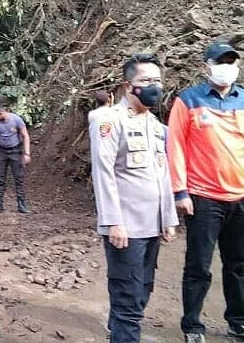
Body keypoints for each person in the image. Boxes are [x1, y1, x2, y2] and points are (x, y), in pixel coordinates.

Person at [167, 41, 244, 343]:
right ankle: (192, 326)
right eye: (220, 62)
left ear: (237, 67)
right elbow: (174, 148)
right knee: (198, 265)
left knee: (237, 264)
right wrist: (180, 191)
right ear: (208, 66)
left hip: (243, 197)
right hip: (203, 197)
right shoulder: (187, 101)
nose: (226, 67)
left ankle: (238, 323)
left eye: (231, 62)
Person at [91, 54, 179, 343]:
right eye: (146, 80)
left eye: (157, 80)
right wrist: (113, 221)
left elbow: (162, 174)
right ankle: (124, 335)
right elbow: (103, 173)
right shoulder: (109, 120)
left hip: (151, 225)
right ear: (129, 87)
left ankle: (118, 332)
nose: (154, 86)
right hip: (126, 228)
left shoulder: (156, 125)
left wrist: (168, 218)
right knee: (127, 295)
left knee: (143, 289)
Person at [0, 101, 31, 214]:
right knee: (0, 179)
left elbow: (25, 136)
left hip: (15, 151)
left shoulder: (16, 119)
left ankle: (22, 205)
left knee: (19, 178)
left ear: (1, 112)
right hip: (1, 151)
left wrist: (27, 153)